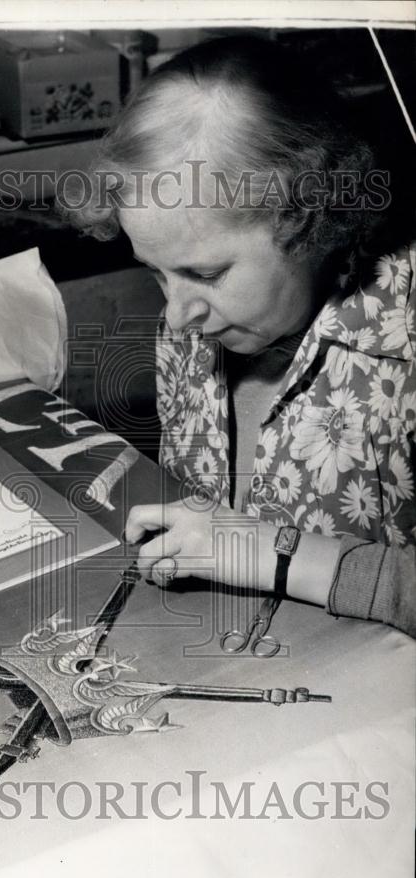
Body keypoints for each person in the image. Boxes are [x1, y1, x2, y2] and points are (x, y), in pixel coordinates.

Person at [64, 35, 416, 637]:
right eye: (157, 273)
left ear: (310, 216)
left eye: (206, 274)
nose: (177, 315)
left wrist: (279, 555)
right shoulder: (192, 330)